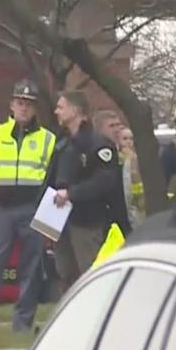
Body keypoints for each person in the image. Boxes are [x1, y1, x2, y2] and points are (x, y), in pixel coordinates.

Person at [0, 79, 55, 334]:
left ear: (35, 108)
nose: (23, 108)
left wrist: (50, 223)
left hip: (34, 210)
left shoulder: (48, 140)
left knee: (31, 269)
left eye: (28, 104)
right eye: (19, 103)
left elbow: (53, 181)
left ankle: (23, 324)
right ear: (11, 105)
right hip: (3, 210)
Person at [47, 92, 120, 294]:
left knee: (88, 272)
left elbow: (104, 181)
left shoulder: (98, 144)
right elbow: (52, 178)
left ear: (75, 110)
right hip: (58, 217)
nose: (56, 111)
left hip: (85, 219)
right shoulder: (63, 142)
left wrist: (72, 194)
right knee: (64, 271)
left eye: (61, 107)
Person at [92, 109, 133, 237]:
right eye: (111, 126)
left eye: (118, 125)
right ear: (99, 129)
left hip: (125, 215)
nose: (117, 129)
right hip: (105, 217)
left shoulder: (123, 153)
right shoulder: (99, 150)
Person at [117, 128, 143, 223]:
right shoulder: (117, 158)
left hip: (135, 202)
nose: (128, 142)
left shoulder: (136, 157)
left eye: (131, 139)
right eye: (125, 138)